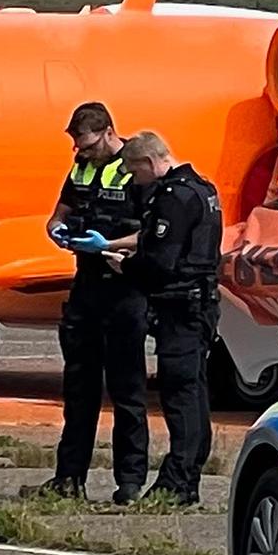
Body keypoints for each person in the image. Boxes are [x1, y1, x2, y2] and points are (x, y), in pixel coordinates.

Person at [35, 102, 149, 504]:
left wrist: (110, 245)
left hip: (123, 288)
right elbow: (57, 214)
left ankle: (131, 482)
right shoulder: (80, 168)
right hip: (86, 287)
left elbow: (153, 233)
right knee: (79, 390)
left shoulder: (136, 165)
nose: (80, 154)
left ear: (106, 133)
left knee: (127, 391)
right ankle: (69, 478)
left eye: (85, 145)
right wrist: (58, 231)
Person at [101, 131, 221, 505]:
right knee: (196, 393)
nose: (135, 181)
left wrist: (126, 267)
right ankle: (187, 475)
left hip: (181, 305)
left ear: (149, 164)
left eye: (135, 173)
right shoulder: (203, 188)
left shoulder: (173, 198)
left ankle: (178, 481)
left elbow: (160, 260)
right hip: (201, 303)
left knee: (181, 394)